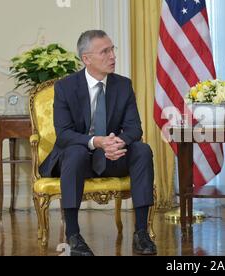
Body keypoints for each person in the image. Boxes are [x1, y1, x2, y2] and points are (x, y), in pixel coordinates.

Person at [39, 30, 156, 256]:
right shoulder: (66, 87)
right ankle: (73, 235)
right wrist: (97, 142)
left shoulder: (123, 85)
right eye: (105, 51)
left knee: (141, 150)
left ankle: (142, 232)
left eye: (113, 49)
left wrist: (115, 143)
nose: (112, 56)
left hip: (113, 156)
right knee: (74, 152)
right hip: (80, 158)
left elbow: (134, 128)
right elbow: (63, 134)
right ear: (86, 59)